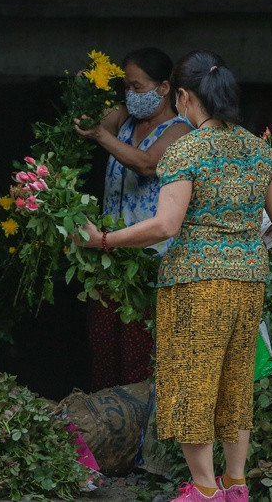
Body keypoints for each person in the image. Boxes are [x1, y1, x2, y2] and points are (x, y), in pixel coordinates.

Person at [77, 49, 272, 502]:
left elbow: (165, 225)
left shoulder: (187, 149)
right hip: (246, 283)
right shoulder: (258, 149)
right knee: (234, 384)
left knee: (190, 384)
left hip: (196, 284)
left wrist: (102, 240)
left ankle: (203, 490)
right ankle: (236, 486)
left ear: (182, 96)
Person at [74, 47, 190, 390]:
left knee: (138, 356)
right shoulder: (124, 118)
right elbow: (87, 122)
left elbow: (147, 163)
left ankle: (138, 435)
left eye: (139, 88)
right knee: (103, 351)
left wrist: (100, 135)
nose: (132, 95)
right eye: (127, 87)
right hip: (107, 256)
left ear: (164, 88)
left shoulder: (179, 131)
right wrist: (90, 94)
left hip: (148, 260)